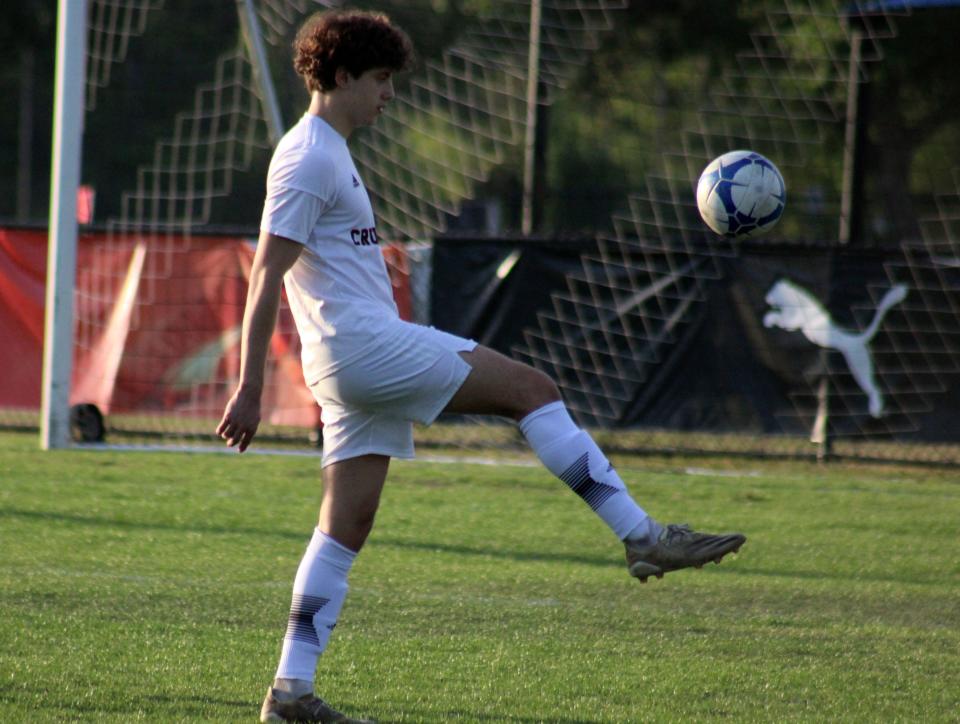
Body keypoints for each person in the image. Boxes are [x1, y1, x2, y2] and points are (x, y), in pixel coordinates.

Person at [217, 10, 746, 723]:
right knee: (533, 390)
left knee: (346, 526)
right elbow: (263, 274)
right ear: (340, 75)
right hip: (363, 346)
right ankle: (642, 535)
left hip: (346, 358)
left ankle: (290, 694)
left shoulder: (325, 148)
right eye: (379, 79)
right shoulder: (310, 155)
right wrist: (249, 385)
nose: (388, 94)